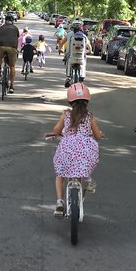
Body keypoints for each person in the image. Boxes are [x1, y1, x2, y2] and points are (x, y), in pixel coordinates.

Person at [44, 81, 104, 217]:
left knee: (60, 174)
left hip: (67, 148)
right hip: (86, 149)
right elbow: (98, 135)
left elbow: (56, 130)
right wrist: (99, 134)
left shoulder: (66, 114)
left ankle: (59, 202)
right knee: (84, 163)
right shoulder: (90, 116)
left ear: (70, 101)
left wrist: (57, 133)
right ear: (87, 101)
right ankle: (87, 179)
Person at [0, 15, 21, 93]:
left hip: (1, 46)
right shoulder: (15, 28)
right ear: (12, 21)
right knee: (12, 66)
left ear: (5, 20)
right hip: (12, 47)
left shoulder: (1, 27)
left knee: (0, 56)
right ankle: (11, 86)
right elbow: (16, 38)